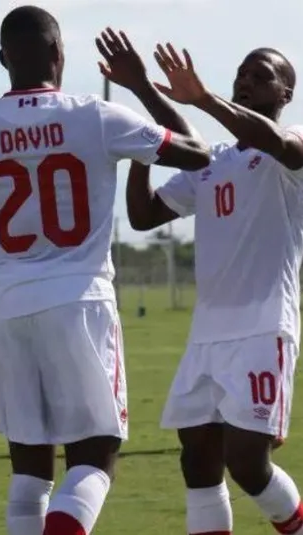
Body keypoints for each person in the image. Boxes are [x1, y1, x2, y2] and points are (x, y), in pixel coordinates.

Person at [0, 6, 211, 535]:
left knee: (30, 472)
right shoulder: (95, 115)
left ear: (2, 58)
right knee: (95, 458)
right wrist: (141, 88)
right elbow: (198, 154)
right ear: (59, 53)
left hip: (8, 306)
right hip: (79, 301)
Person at [127, 44, 303, 535]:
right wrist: (142, 147)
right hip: (206, 337)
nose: (246, 80)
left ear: (285, 93)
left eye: (261, 75)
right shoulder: (212, 162)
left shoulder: (290, 147)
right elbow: (143, 216)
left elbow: (274, 140)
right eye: (242, 72)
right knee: (198, 461)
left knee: (247, 462)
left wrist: (202, 100)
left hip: (263, 329)